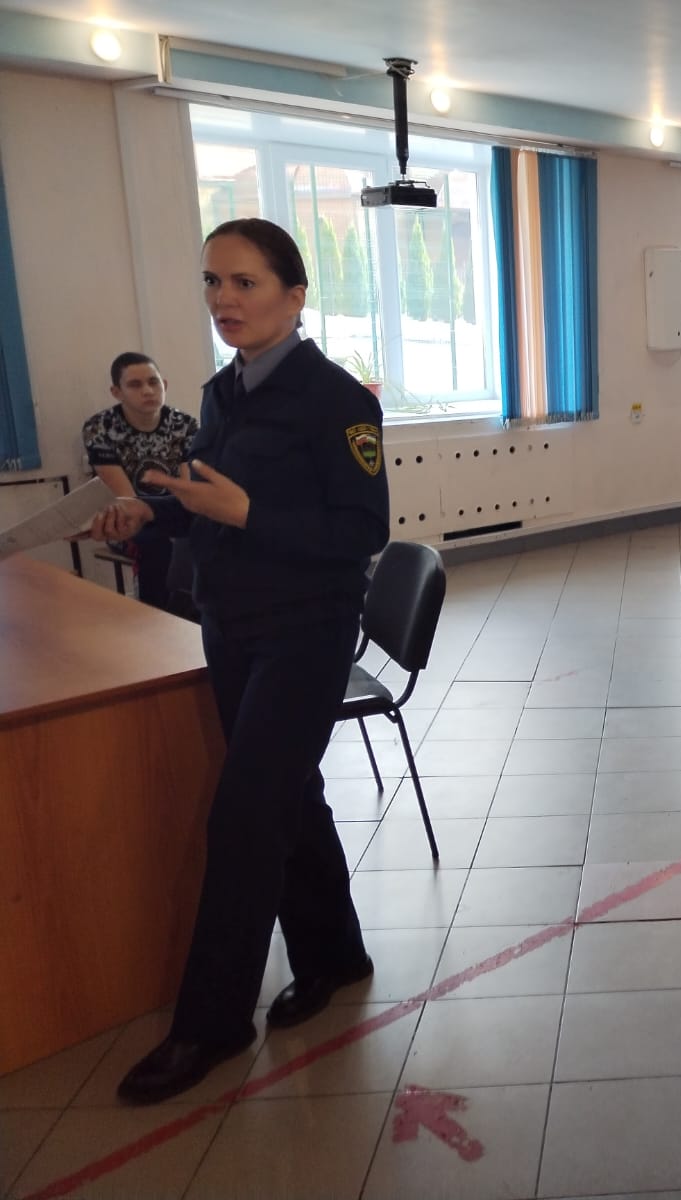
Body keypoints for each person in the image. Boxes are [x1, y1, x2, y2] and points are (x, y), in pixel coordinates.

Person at [89, 217, 390, 1104]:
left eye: (245, 283)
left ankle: (213, 1021)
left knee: (246, 813)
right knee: (289, 793)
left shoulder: (337, 399)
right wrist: (153, 513)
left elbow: (362, 532)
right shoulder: (223, 393)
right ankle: (335, 953)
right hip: (231, 625)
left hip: (305, 632)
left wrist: (250, 513)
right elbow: (205, 499)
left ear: (294, 296)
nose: (224, 299)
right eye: (212, 282)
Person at [81, 353, 199, 611]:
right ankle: (155, 616)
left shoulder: (185, 425)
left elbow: (189, 490)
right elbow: (126, 500)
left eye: (153, 382)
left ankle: (194, 616)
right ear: (117, 392)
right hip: (125, 521)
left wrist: (183, 516)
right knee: (154, 542)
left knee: (206, 531)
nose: (147, 391)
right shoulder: (100, 428)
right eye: (135, 385)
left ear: (164, 385)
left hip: (175, 512)